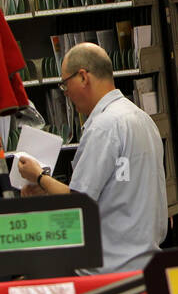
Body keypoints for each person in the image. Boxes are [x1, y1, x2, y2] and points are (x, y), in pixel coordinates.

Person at [16, 43, 166, 273]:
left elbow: (78, 203)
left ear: (83, 77)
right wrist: (46, 188)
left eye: (65, 85)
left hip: (108, 270)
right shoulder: (143, 119)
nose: (66, 95)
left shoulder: (104, 127)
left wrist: (38, 176)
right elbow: (115, 191)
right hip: (145, 265)